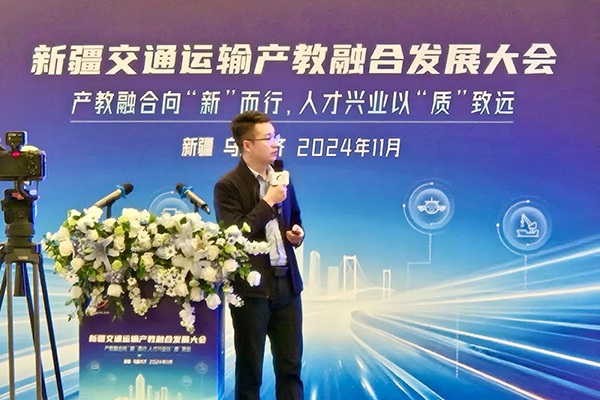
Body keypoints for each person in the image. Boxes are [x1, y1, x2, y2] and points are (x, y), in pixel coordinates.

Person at [214, 110, 305, 400]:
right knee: (250, 371)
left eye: (275, 136)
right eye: (268, 138)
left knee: (290, 367)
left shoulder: (281, 178)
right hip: (251, 291)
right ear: (247, 145)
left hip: (287, 285)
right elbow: (235, 236)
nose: (275, 143)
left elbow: (294, 218)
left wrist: (297, 234)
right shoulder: (228, 186)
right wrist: (268, 201)